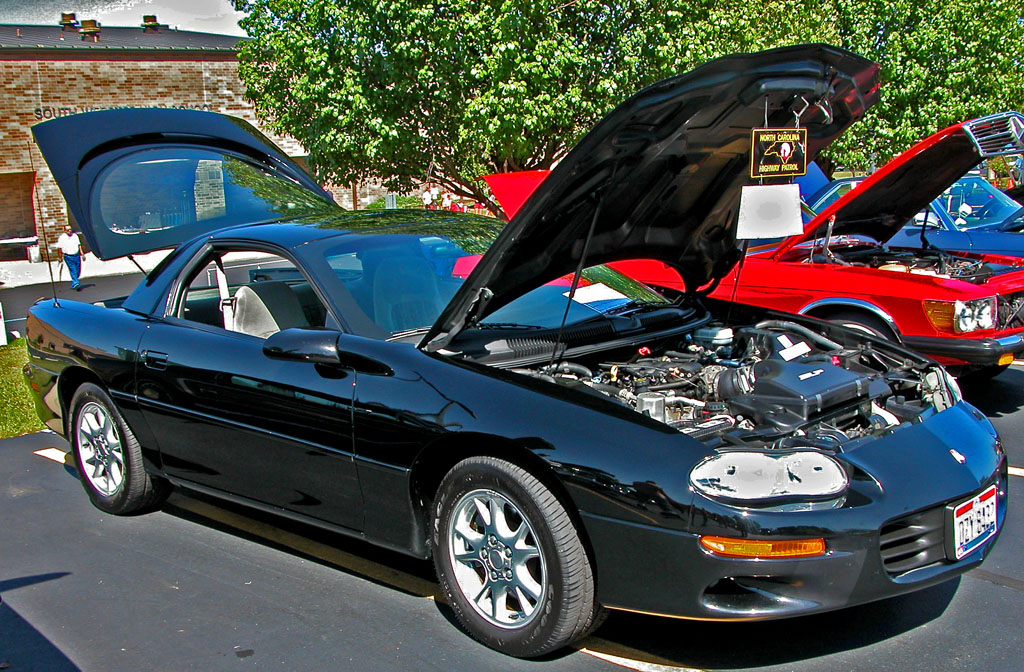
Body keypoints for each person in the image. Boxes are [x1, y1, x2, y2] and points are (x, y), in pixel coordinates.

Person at [56, 223, 85, 291]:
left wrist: (82, 254)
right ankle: (76, 283)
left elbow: (79, 245)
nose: (69, 231)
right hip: (68, 256)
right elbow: (59, 248)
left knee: (78, 270)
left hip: (76, 255)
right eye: (67, 230)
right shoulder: (62, 238)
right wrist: (60, 257)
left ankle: (75, 282)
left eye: (70, 229)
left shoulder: (75, 236)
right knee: (73, 269)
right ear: (65, 230)